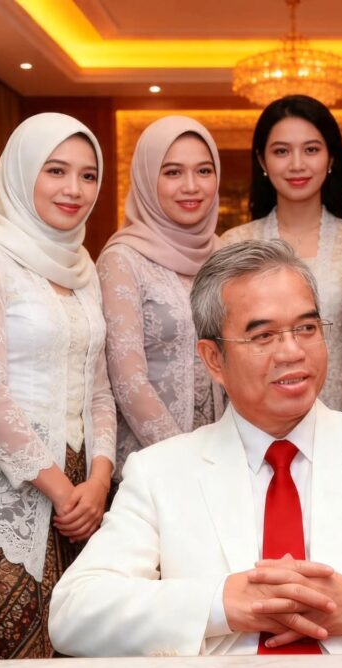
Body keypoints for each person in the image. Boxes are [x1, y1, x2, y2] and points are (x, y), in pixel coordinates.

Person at [49, 239, 342, 657]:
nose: (292, 352)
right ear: (214, 359)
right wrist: (221, 604)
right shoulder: (160, 472)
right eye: (263, 336)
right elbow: (74, 612)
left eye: (306, 328)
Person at [0, 113, 116, 659]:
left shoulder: (82, 267)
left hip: (84, 491)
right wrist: (62, 491)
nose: (74, 189)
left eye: (88, 175)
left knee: (84, 656)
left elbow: (99, 389)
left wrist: (100, 481)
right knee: (11, 664)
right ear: (21, 173)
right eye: (56, 170)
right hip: (5, 492)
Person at [97, 117, 225, 481]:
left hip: (225, 458)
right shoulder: (122, 260)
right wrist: (186, 464)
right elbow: (127, 381)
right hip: (153, 467)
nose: (191, 186)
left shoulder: (224, 254)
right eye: (172, 172)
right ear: (146, 178)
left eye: (204, 171)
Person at [220, 95, 342, 411]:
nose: (297, 164)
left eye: (311, 150)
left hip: (338, 417)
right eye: (281, 151)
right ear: (262, 161)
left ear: (331, 158)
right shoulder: (234, 244)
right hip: (257, 416)